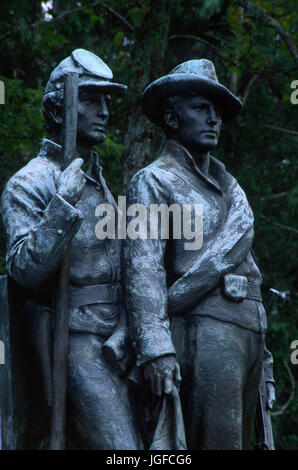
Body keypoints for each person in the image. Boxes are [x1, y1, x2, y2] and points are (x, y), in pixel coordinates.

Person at [123, 59, 275, 450]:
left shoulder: (230, 189)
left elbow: (250, 272)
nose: (214, 119)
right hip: (203, 334)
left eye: (217, 111)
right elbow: (143, 270)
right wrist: (155, 349)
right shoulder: (154, 180)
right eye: (201, 109)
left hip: (249, 337)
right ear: (172, 118)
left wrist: (268, 363)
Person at [1, 49, 142, 450]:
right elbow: (23, 268)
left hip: (120, 338)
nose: (105, 111)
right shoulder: (30, 183)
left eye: (107, 101)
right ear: (61, 111)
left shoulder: (100, 184)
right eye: (91, 99)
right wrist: (62, 207)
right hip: (76, 339)